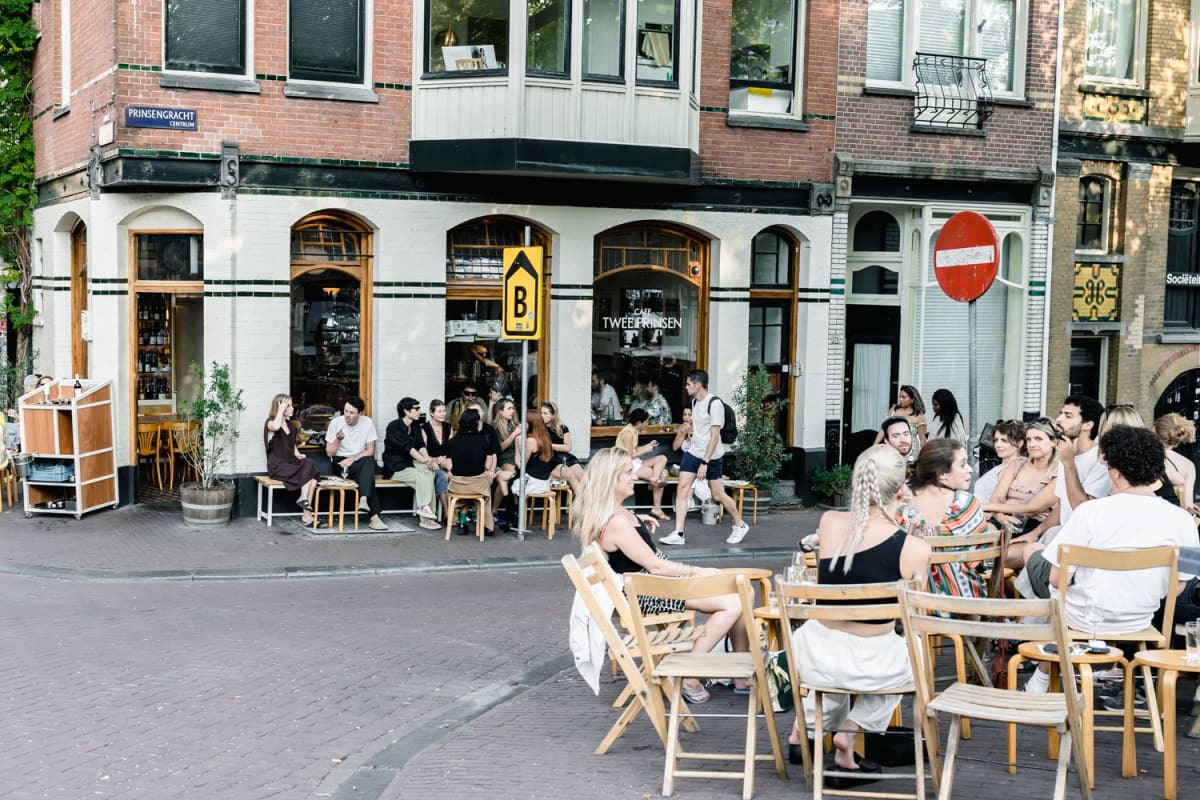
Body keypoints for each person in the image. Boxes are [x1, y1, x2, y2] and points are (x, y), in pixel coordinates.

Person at [787, 444, 932, 776]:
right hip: (869, 663)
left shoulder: (830, 522)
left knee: (837, 657)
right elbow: (916, 617)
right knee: (912, 656)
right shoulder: (914, 549)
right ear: (901, 489)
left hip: (813, 656)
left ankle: (805, 731)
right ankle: (850, 733)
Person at [1024, 425, 1200, 692]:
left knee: (1035, 555)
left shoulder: (1090, 512)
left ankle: (1042, 676)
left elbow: (1056, 578)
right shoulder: (1185, 520)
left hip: (1081, 619)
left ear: (1115, 473)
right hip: (1139, 620)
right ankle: (1102, 666)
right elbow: (1179, 587)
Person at [572, 447, 751, 704]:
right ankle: (688, 673)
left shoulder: (618, 515)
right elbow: (656, 566)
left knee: (740, 590)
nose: (634, 477)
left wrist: (639, 523)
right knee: (733, 602)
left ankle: (740, 675)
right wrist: (698, 571)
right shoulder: (617, 522)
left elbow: (629, 545)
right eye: (627, 473)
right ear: (611, 479)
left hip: (649, 587)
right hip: (648, 592)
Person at [659, 369, 749, 547]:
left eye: (688, 384)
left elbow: (715, 437)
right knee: (682, 489)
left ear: (698, 385)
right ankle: (678, 533)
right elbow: (700, 430)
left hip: (712, 456)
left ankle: (740, 524)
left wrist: (705, 463)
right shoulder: (694, 402)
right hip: (693, 453)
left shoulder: (714, 404)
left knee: (718, 494)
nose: (685, 387)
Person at [900, 437, 990, 598]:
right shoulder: (965, 505)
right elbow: (977, 559)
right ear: (942, 474)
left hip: (909, 600)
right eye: (962, 464)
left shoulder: (898, 503)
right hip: (960, 599)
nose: (970, 469)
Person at [983, 418, 1059, 568]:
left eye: (1038, 439)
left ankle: (1000, 590)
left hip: (1033, 526)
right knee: (976, 545)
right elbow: (997, 497)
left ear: (1053, 442)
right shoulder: (1017, 464)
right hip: (1002, 519)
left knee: (1000, 557)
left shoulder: (1058, 473)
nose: (1032, 444)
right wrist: (999, 515)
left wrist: (987, 506)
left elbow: (1032, 508)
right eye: (1029, 439)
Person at [324, 396, 387, 531]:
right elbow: (329, 452)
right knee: (368, 475)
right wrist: (337, 440)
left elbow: (370, 451)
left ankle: (364, 499)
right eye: (346, 411)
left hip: (359, 460)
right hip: (340, 462)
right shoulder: (336, 423)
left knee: (368, 461)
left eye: (352, 413)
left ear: (360, 413)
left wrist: (353, 458)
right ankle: (374, 516)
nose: (347, 415)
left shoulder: (367, 423)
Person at [381, 398, 442, 530]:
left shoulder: (414, 426)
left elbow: (420, 444)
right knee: (424, 476)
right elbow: (407, 448)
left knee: (428, 472)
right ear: (406, 411)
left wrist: (427, 459)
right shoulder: (393, 426)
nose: (419, 411)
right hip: (395, 467)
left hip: (411, 463)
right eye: (416, 408)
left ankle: (425, 511)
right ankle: (426, 517)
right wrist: (424, 460)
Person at [263, 394, 321, 529]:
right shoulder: (270, 422)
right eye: (288, 405)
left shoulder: (291, 425)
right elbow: (276, 427)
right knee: (310, 474)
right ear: (280, 407)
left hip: (290, 463)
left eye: (290, 405)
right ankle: (307, 515)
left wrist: (298, 454)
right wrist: (280, 410)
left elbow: (292, 444)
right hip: (277, 466)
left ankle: (304, 504)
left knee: (310, 467)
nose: (292, 408)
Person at [445, 408, 499, 536]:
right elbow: (488, 465)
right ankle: (485, 526)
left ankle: (462, 523)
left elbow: (449, 466)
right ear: (476, 423)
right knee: (483, 492)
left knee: (466, 493)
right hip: (478, 485)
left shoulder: (452, 442)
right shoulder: (484, 441)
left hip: (457, 486)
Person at [616, 408, 670, 519]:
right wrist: (646, 450)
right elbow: (628, 456)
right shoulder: (628, 433)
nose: (647, 424)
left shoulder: (634, 430)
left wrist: (648, 445)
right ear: (639, 422)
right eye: (646, 422)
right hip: (626, 464)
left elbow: (634, 448)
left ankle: (654, 479)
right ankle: (657, 509)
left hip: (634, 462)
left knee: (662, 458)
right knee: (662, 477)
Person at [972, 419, 1026, 511]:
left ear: (1020, 443)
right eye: (996, 440)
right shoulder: (1000, 466)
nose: (998, 445)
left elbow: (1006, 503)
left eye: (1004, 440)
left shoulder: (1017, 467)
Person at [1155, 412, 1196, 508]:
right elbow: (1187, 505)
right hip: (1175, 515)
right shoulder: (1188, 465)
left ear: (1154, 431)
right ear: (1176, 443)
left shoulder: (1144, 456)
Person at [541, 401, 584, 493]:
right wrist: (558, 447)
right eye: (541, 413)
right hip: (551, 460)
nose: (542, 415)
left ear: (553, 415)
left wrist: (550, 445)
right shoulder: (539, 429)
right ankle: (582, 504)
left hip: (565, 458)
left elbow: (568, 447)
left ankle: (589, 503)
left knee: (584, 478)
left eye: (545, 413)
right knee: (571, 476)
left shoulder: (562, 428)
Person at [489, 399, 520, 520]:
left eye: (513, 408)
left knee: (508, 478)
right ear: (501, 412)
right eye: (509, 408)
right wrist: (514, 435)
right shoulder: (494, 428)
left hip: (516, 457)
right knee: (513, 475)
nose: (512, 411)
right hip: (502, 458)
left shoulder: (515, 425)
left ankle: (513, 509)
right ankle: (496, 510)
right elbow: (499, 448)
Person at [873, 384, 927, 449]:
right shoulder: (894, 410)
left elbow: (923, 440)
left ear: (912, 399)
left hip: (911, 452)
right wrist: (874, 446)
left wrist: (924, 456)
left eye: (904, 397)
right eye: (900, 397)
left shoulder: (919, 416)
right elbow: (883, 430)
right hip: (893, 449)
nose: (900, 399)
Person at [522, 409, 556, 496]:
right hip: (544, 482)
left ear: (530, 423)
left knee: (510, 483)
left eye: (524, 421)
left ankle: (516, 509)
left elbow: (522, 464)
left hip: (533, 483)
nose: (521, 424)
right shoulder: (545, 437)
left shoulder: (530, 440)